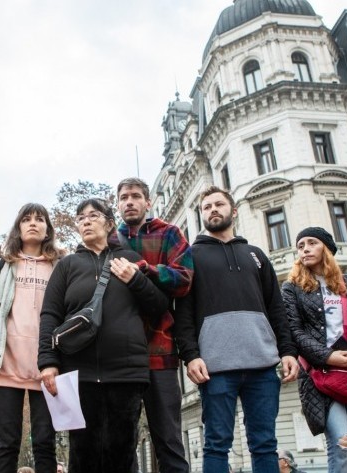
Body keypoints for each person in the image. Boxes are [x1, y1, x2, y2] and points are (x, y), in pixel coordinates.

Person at [173, 185, 298, 473]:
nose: (213, 209)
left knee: (265, 443)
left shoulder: (256, 255)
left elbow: (276, 308)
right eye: (206, 207)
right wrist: (190, 355)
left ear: (234, 210)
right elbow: (184, 313)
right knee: (216, 444)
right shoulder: (190, 257)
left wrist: (288, 351)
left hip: (264, 365)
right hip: (215, 368)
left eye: (219, 204)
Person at [38, 198, 169, 472]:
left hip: (127, 373)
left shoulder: (130, 259)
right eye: (80, 217)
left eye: (93, 215)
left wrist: (136, 279)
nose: (85, 221)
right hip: (78, 373)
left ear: (109, 223)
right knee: (82, 454)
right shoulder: (67, 266)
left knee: (121, 453)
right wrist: (48, 362)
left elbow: (158, 307)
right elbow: (50, 315)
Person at [283, 227, 347, 472]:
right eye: (300, 245)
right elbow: (294, 331)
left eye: (311, 243)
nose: (304, 248)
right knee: (343, 443)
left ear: (326, 248)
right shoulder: (292, 287)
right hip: (320, 376)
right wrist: (329, 356)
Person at [114, 177, 193, 473]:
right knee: (124, 442)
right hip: (120, 355)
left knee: (169, 439)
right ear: (118, 204)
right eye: (123, 197)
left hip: (160, 350)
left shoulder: (170, 234)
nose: (129, 202)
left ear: (148, 202)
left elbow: (185, 279)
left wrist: (145, 269)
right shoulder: (110, 240)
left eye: (135, 196)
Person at [0, 203, 61, 473]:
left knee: (44, 442)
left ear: (47, 228)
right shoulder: (3, 266)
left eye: (40, 219)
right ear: (18, 227)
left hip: (48, 366)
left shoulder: (60, 265)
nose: (33, 223)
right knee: (7, 443)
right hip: (6, 363)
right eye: (26, 219)